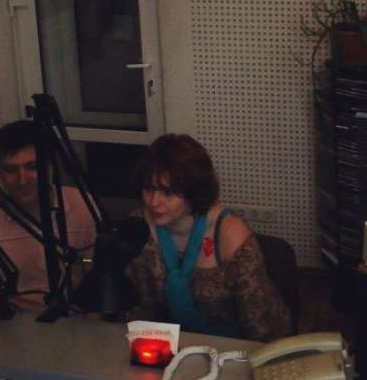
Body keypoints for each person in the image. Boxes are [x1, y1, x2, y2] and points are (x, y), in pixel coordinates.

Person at [124, 133, 292, 342]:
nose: (154, 202)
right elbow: (136, 308)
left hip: (235, 345)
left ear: (194, 191)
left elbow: (261, 325)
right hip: (171, 344)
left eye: (167, 192)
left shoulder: (231, 234)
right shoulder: (138, 226)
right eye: (148, 189)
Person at [0, 120, 98, 314]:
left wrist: (87, 328)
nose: (22, 180)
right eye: (11, 170)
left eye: (32, 167)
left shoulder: (82, 205)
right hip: (15, 324)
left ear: (50, 167)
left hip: (76, 322)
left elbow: (98, 291)